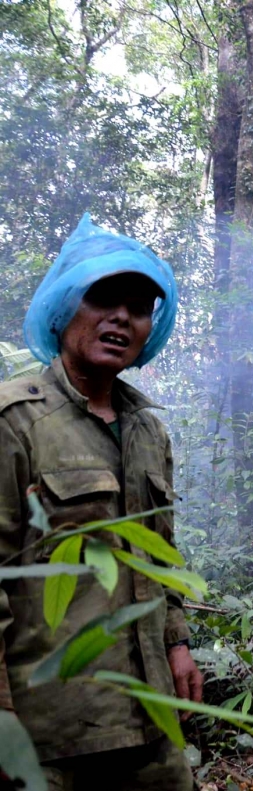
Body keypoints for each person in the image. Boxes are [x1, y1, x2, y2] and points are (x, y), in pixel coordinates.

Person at [0, 214, 201, 789]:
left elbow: (160, 555)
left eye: (139, 307)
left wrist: (179, 642)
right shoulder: (16, 422)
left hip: (149, 716)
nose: (121, 318)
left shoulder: (148, 431)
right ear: (64, 308)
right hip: (50, 729)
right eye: (103, 298)